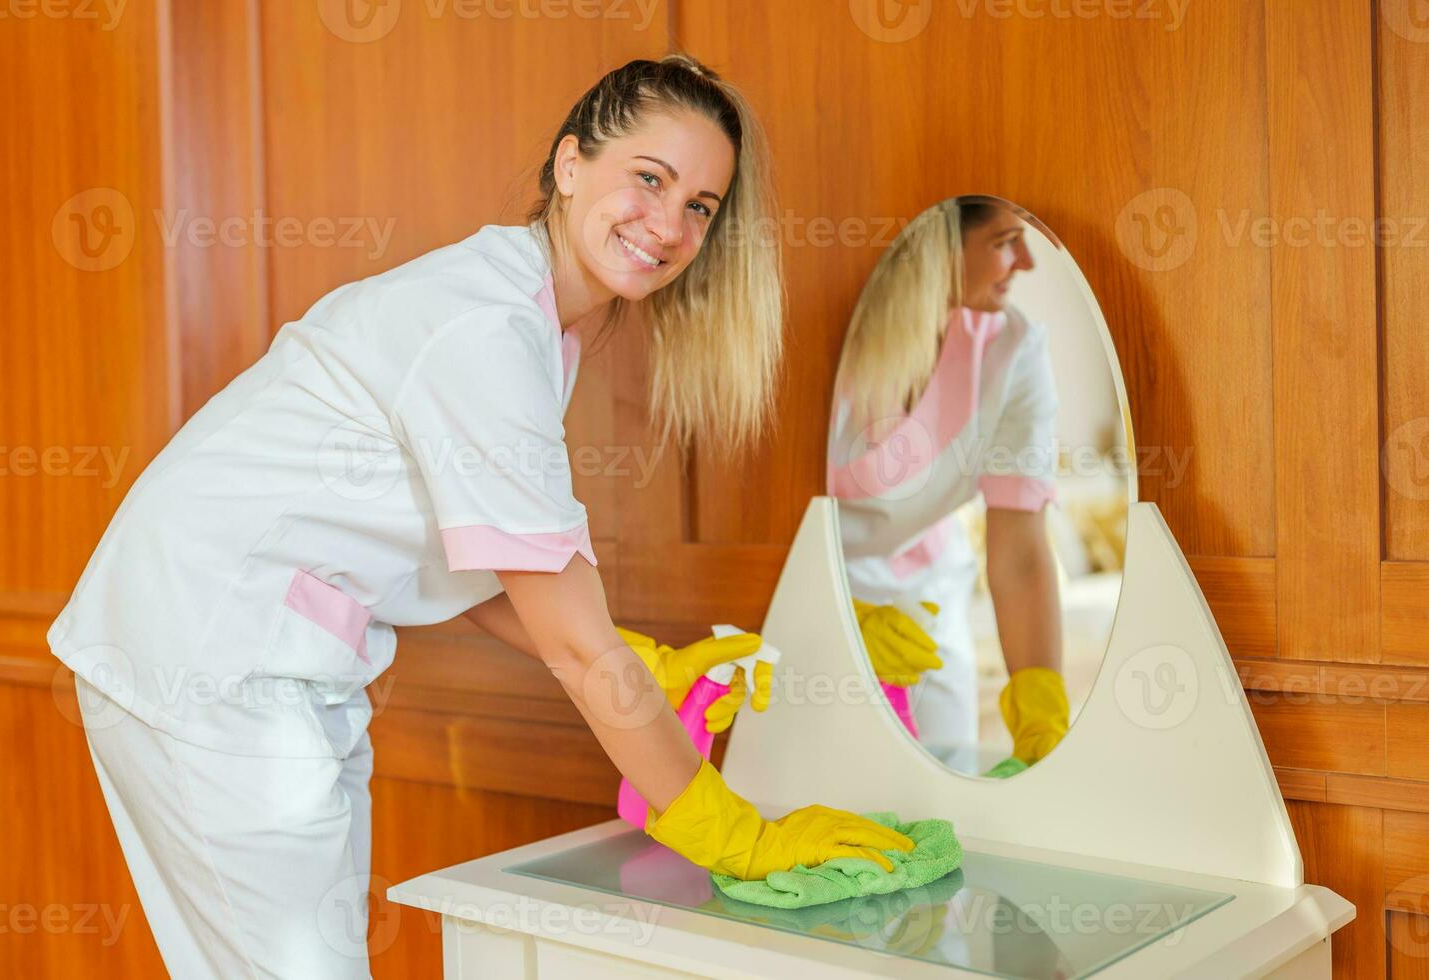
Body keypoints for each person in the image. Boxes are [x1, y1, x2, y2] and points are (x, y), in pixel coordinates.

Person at [48, 54, 912, 978]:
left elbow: (485, 569)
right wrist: (733, 835)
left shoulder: (530, 325)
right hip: (208, 659)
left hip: (274, 666)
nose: (668, 226)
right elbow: (577, 648)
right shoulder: (485, 330)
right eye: (649, 180)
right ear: (570, 162)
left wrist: (642, 663)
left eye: (700, 206)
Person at [827, 197, 1069, 773]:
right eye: (1005, 241)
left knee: (940, 779)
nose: (1027, 262)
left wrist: (1043, 714)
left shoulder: (1012, 350)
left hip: (925, 592)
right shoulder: (829, 343)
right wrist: (840, 618)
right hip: (802, 584)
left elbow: (1021, 552)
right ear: (933, 250)